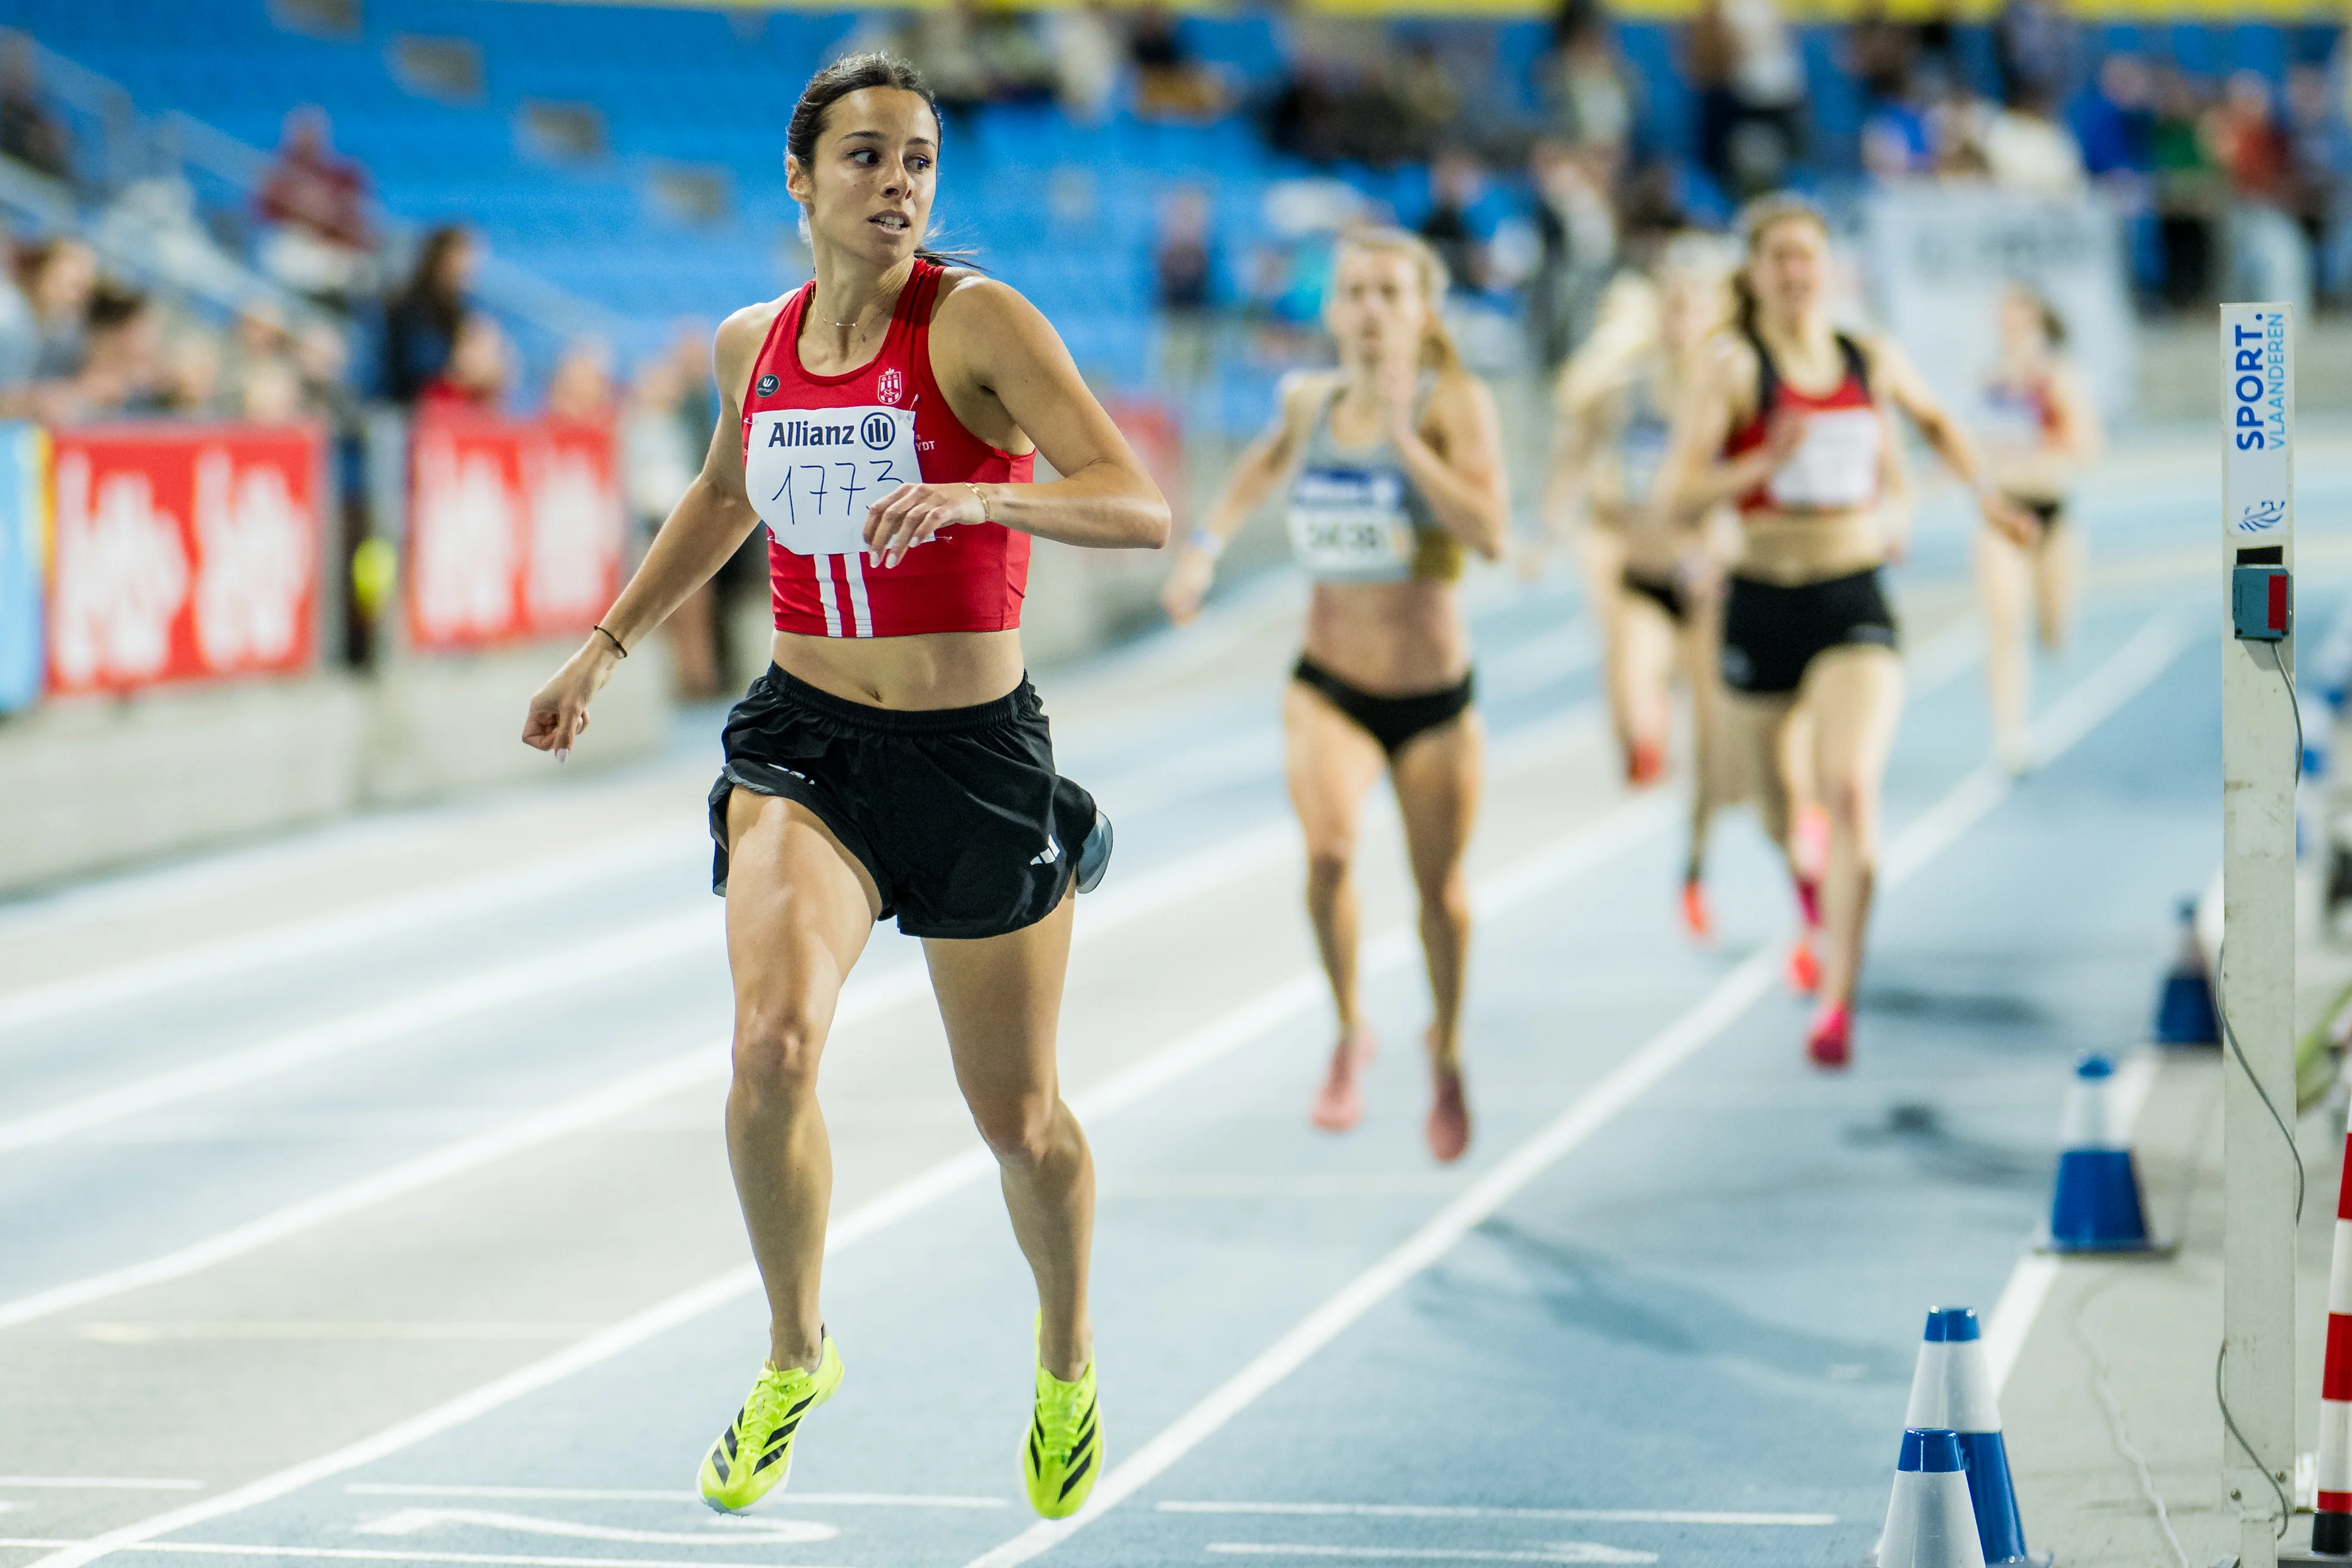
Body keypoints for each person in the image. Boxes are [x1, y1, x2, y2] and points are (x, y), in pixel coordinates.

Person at [521, 53, 1166, 1521]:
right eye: (868, 157)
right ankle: (794, 1346)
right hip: (804, 742)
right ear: (799, 180)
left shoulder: (979, 320)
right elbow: (723, 493)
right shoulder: (755, 340)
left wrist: (988, 493)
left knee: (1021, 1124)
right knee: (770, 1050)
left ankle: (1063, 1348)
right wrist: (604, 648)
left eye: (922, 161)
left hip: (975, 756)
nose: (899, 185)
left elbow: (1137, 503)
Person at [1654, 195, 2032, 1068]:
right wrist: (1761, 462)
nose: (1795, 273)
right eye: (1778, 258)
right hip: (1761, 598)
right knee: (1778, 812)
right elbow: (1677, 495)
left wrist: (1988, 498)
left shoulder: (1870, 356)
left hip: (1851, 597)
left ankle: (1835, 1000)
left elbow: (1937, 423)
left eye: (1807, 257)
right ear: (1754, 274)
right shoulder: (1734, 369)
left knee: (1849, 786)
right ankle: (1810, 881)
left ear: (1830, 269)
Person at [1159, 228, 1509, 1161]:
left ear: (1422, 313)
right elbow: (1260, 466)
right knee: (1331, 853)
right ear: (1332, 310)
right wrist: (1204, 550)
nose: (1369, 310)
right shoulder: (1307, 400)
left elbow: (1492, 533)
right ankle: (1352, 1029)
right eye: (1354, 292)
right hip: (1330, 686)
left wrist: (1405, 445)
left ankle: (1448, 1045)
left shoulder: (1456, 403)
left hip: (1434, 699)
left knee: (1441, 897)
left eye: (1391, 293)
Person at [1543, 244, 1733, 938]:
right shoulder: (1623, 385)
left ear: (1716, 313)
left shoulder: (1734, 387)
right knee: (1633, 678)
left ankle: (1696, 867)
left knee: (1719, 754)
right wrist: (1547, 524)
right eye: (1670, 302)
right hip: (1640, 569)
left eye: (1693, 304)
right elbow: (1574, 441)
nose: (1680, 316)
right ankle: (1644, 742)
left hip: (1713, 587)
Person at [1973, 285, 2099, 775]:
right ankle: (2010, 736)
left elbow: (2088, 449)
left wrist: (2041, 442)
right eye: (2003, 316)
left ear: (2038, 322)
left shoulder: (2060, 377)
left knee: (2053, 630)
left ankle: (2053, 631)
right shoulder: (1988, 379)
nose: (2009, 325)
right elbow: (1976, 445)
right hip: (2005, 515)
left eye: (2019, 316)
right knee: (2004, 624)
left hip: (2053, 512)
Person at [382, 225, 477, 404]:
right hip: (407, 406)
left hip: (442, 404)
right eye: (465, 257)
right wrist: (460, 369)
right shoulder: (411, 306)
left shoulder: (461, 309)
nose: (471, 267)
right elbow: (417, 367)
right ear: (444, 258)